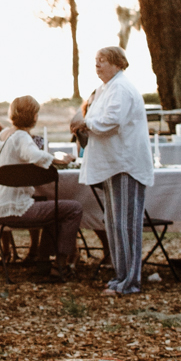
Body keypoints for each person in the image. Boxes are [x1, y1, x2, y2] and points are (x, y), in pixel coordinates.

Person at [71, 45, 154, 296]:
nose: (97, 65)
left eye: (103, 60)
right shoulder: (104, 89)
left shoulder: (121, 88)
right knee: (115, 223)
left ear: (117, 64)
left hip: (125, 164)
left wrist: (85, 122)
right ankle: (120, 276)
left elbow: (112, 121)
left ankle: (130, 281)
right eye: (95, 60)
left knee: (126, 223)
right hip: (113, 164)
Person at [0, 95, 84, 276]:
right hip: (16, 209)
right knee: (74, 208)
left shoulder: (3, 135)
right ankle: (61, 263)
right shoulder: (22, 137)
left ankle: (43, 257)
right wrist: (58, 159)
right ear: (33, 116)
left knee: (54, 207)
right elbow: (35, 156)